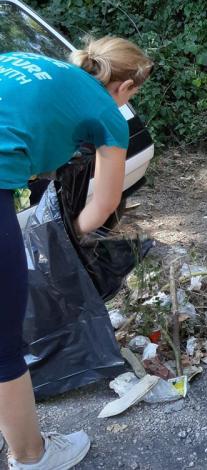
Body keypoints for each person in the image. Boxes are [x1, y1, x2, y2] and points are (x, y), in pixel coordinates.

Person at [0, 37, 153, 469]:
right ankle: (33, 457)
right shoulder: (110, 115)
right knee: (5, 345)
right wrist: (61, 239)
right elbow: (101, 206)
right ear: (125, 87)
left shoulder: (26, 60)